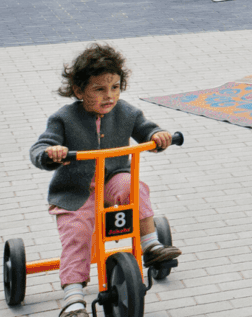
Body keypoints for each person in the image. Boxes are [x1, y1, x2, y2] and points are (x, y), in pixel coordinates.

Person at [29, 44, 182, 317]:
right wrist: (51, 153)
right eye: (99, 89)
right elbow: (41, 148)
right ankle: (73, 298)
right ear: (79, 91)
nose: (109, 95)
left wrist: (158, 136)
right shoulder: (64, 118)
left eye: (114, 87)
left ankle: (150, 245)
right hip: (76, 192)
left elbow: (146, 130)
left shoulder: (126, 112)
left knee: (134, 186)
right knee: (77, 234)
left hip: (112, 181)